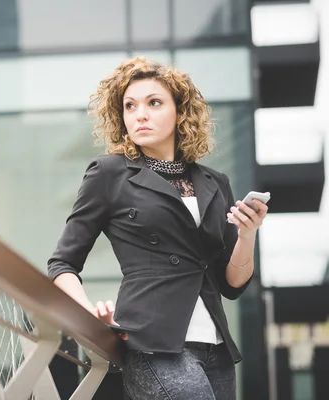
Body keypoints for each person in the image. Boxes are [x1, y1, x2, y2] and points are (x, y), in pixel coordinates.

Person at [47, 56, 268, 400]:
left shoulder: (214, 182)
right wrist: (89, 315)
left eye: (154, 103)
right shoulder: (109, 174)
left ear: (180, 113)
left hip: (216, 348)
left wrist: (247, 233)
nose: (141, 114)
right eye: (130, 106)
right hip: (151, 342)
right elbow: (62, 263)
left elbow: (232, 283)